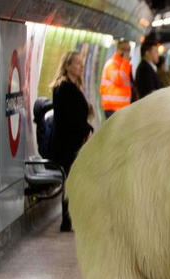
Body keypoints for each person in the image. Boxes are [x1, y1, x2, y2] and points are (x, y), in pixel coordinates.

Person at [49, 51, 94, 232]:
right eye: (77, 63)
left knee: (74, 181)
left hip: (74, 141)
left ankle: (71, 219)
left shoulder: (75, 86)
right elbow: (68, 118)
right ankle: (67, 221)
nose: (81, 66)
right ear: (67, 65)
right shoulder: (63, 88)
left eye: (82, 63)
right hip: (66, 144)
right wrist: (86, 129)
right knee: (71, 182)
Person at [100, 39, 133, 119]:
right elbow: (118, 79)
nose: (127, 52)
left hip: (121, 108)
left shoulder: (124, 64)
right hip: (112, 108)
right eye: (124, 49)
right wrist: (125, 61)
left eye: (128, 49)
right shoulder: (111, 64)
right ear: (118, 49)